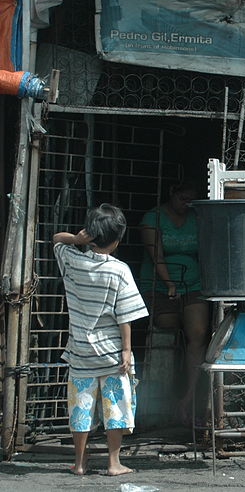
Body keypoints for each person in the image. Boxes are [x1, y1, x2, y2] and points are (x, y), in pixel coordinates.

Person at [53, 203, 149, 476]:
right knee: (115, 407)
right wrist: (127, 350)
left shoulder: (71, 260)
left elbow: (56, 239)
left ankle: (80, 464)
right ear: (118, 239)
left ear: (90, 233)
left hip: (80, 352)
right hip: (111, 355)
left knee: (80, 408)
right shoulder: (119, 271)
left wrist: (76, 239)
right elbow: (124, 316)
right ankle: (113, 463)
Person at [139, 181, 209, 426]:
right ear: (172, 193)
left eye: (191, 200)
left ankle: (188, 396)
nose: (186, 204)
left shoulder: (196, 218)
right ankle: (159, 398)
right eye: (182, 199)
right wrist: (169, 284)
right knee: (167, 323)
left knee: (198, 332)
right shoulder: (153, 218)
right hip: (159, 284)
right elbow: (155, 255)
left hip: (192, 283)